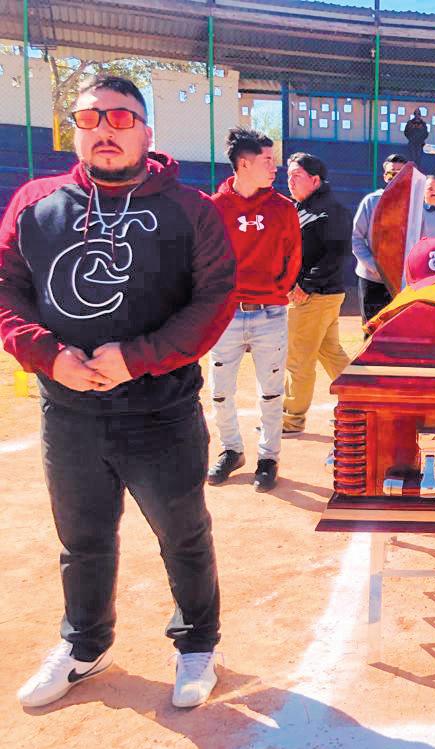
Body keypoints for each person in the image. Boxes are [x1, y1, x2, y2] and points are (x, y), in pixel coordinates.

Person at [1, 74, 236, 708]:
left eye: (121, 117)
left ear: (147, 132)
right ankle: (85, 644)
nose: (105, 128)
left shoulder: (191, 210)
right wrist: (49, 356)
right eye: (90, 117)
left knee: (182, 534)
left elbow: (215, 300)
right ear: (73, 130)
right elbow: (7, 291)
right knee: (81, 539)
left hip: (161, 412)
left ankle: (197, 645)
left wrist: (138, 358)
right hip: (69, 413)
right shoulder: (35, 204)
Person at [207, 128, 302, 492]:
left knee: (271, 392)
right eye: (267, 160)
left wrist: (277, 291)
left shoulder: (283, 208)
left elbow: (294, 256)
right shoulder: (216, 207)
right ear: (243, 164)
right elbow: (204, 259)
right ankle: (231, 450)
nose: (275, 167)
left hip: (270, 313)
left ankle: (268, 457)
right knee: (219, 391)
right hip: (227, 315)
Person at [282, 152, 352, 436]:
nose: (290, 181)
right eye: (288, 175)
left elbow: (336, 254)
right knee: (330, 352)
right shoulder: (304, 207)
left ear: (315, 180)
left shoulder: (329, 210)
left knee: (298, 359)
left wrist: (306, 285)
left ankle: (291, 419)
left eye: (296, 176)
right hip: (321, 295)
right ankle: (363, 397)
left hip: (314, 296)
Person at [352, 153, 408, 324]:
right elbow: (356, 238)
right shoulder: (371, 202)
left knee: (397, 329)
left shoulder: (413, 204)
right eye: (391, 173)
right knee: (371, 329)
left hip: (401, 282)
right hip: (372, 279)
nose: (395, 177)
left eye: (400, 173)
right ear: (385, 176)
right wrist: (374, 266)